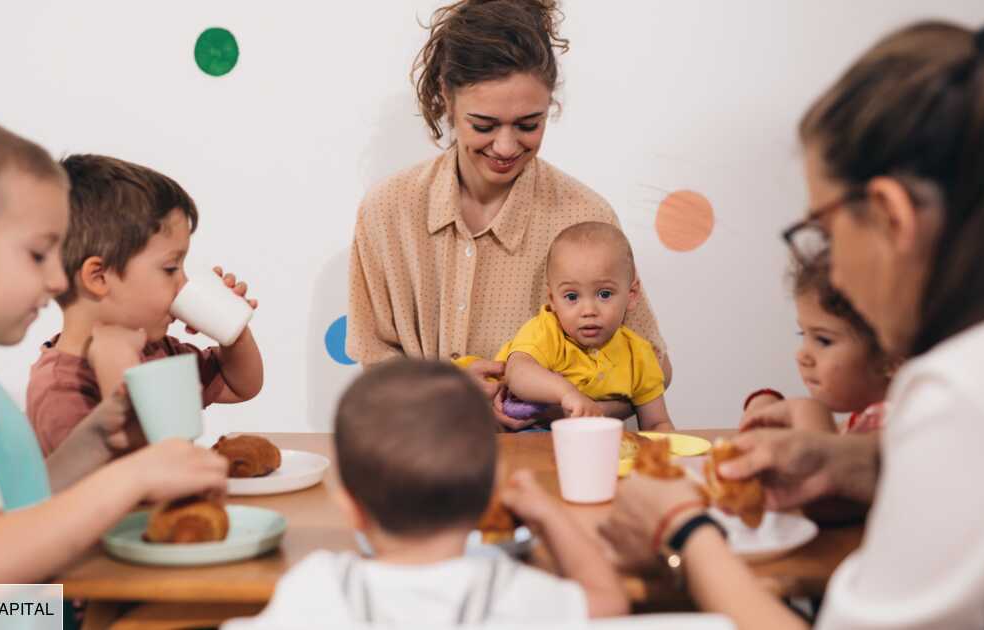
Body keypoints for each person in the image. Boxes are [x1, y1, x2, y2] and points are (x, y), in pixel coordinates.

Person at [600, 20, 984, 629]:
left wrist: (687, 532)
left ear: (892, 216)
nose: (832, 271)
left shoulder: (971, 388)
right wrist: (852, 465)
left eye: (825, 231)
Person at [0, 113, 227, 583]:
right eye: (37, 254)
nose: (57, 279)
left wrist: (94, 441)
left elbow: (17, 511)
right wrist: (133, 476)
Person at [347, 0, 672, 431]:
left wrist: (554, 406)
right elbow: (375, 361)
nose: (505, 147)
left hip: (552, 467)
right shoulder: (387, 211)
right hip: (420, 458)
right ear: (446, 97)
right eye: (483, 125)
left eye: (528, 124)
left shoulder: (585, 214)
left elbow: (651, 367)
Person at [222, 359, 627, 627]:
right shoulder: (512, 592)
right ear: (493, 496)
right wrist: (548, 514)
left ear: (348, 505)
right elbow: (609, 601)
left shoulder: (319, 589)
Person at [26, 154, 264, 456]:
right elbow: (116, 484)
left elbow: (239, 385)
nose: (184, 284)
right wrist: (119, 367)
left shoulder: (157, 350)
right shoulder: (60, 388)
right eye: (170, 269)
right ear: (99, 277)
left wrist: (233, 329)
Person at [497, 222, 675, 430]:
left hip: (592, 443)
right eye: (572, 296)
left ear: (631, 295)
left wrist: (666, 453)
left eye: (604, 294)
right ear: (553, 300)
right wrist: (566, 393)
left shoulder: (639, 355)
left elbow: (657, 422)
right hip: (522, 433)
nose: (588, 310)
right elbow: (518, 373)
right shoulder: (546, 331)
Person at [739, 255, 894, 436]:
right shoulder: (865, 419)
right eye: (803, 334)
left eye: (823, 340)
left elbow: (825, 460)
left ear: (889, 359)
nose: (802, 355)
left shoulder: (900, 427)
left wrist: (809, 412)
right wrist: (769, 402)